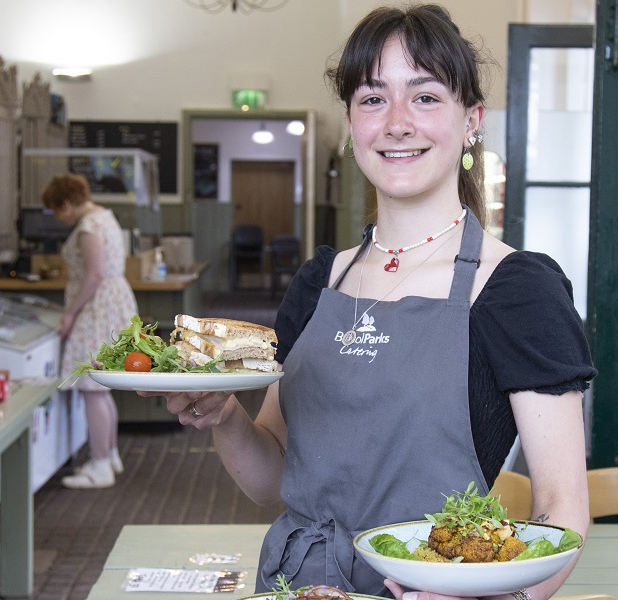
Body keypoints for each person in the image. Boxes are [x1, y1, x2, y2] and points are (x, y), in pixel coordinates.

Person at [151, 5, 594, 598]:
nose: (398, 122)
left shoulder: (517, 291)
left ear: (472, 121)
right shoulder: (319, 284)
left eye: (427, 96)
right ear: (352, 123)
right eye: (373, 98)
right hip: (297, 585)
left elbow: (562, 507)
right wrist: (225, 415)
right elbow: (272, 480)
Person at [42, 174, 138, 489]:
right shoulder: (105, 216)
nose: (58, 218)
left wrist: (70, 314)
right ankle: (108, 455)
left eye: (58, 211)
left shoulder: (87, 227)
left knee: (92, 388)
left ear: (66, 204)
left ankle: (99, 466)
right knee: (102, 388)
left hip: (96, 307)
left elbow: (94, 275)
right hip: (114, 301)